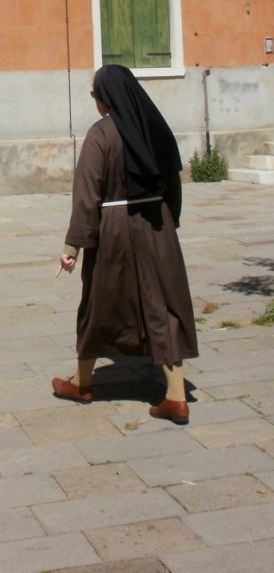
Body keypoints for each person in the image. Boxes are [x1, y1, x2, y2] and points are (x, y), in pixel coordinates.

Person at [52, 64, 198, 425]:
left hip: (113, 229)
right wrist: (168, 222)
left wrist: (73, 247)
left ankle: (83, 382)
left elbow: (86, 195)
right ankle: (176, 397)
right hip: (156, 224)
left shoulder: (101, 135)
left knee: (97, 303)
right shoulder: (156, 129)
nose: (95, 100)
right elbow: (173, 184)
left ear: (107, 97)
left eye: (95, 94)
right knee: (162, 305)